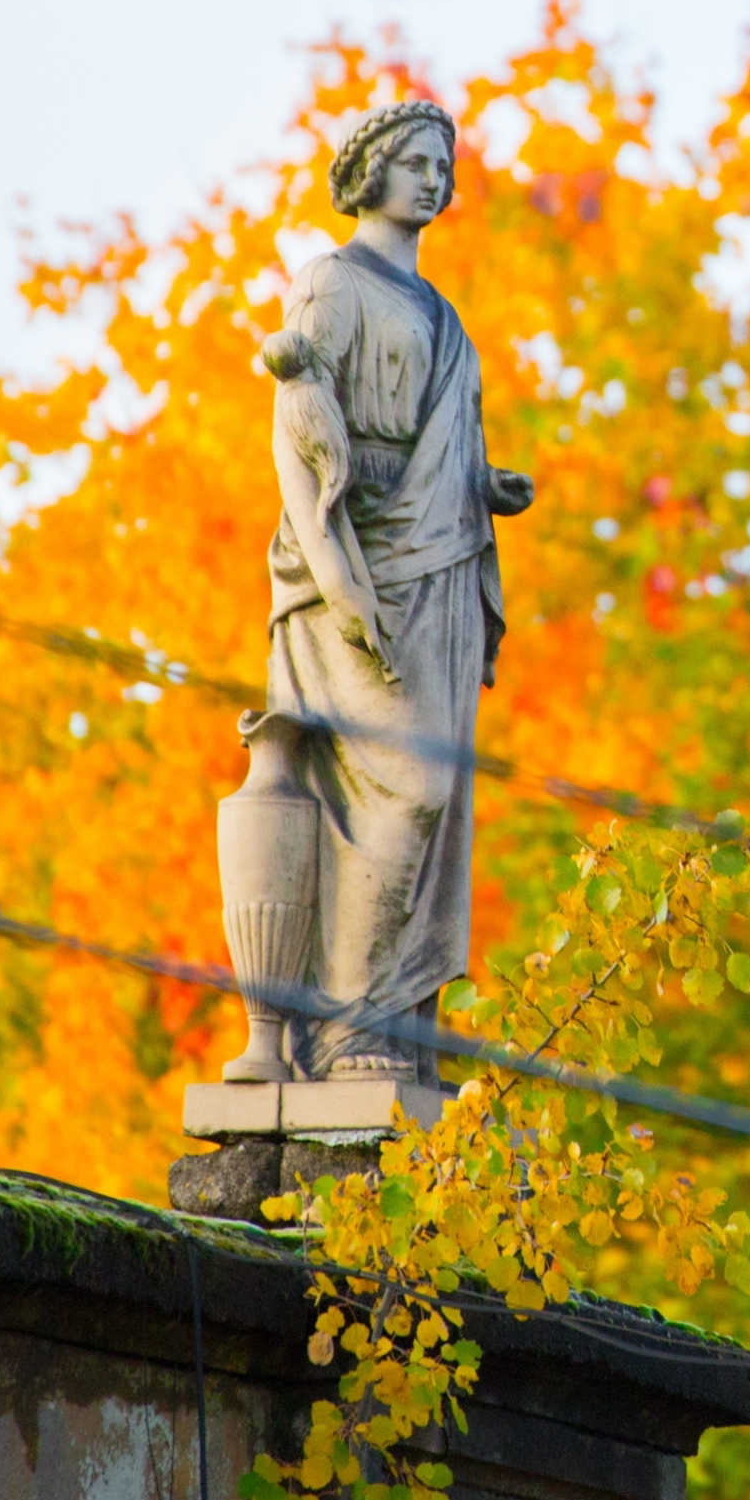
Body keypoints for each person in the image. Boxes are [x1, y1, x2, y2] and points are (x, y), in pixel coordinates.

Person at [262, 98, 533, 1079]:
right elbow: (297, 434)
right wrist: (337, 580)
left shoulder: (441, 311)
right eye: (416, 161)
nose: (433, 179)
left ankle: (399, 1035)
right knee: (402, 789)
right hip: (362, 563)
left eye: (443, 166)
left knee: (438, 804)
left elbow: (430, 434)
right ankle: (345, 1033)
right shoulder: (332, 283)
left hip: (442, 564)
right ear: (370, 171)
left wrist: (486, 484)